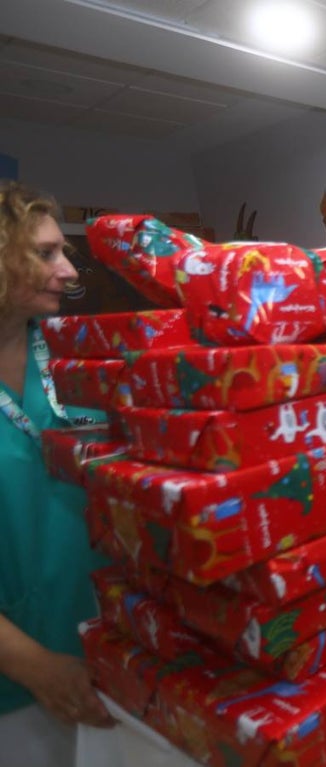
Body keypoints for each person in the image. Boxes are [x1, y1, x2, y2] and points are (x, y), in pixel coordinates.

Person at [0, 181, 114, 763]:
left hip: (113, 648)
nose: (69, 271)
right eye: (46, 254)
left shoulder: (77, 362)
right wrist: (37, 667)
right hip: (20, 683)